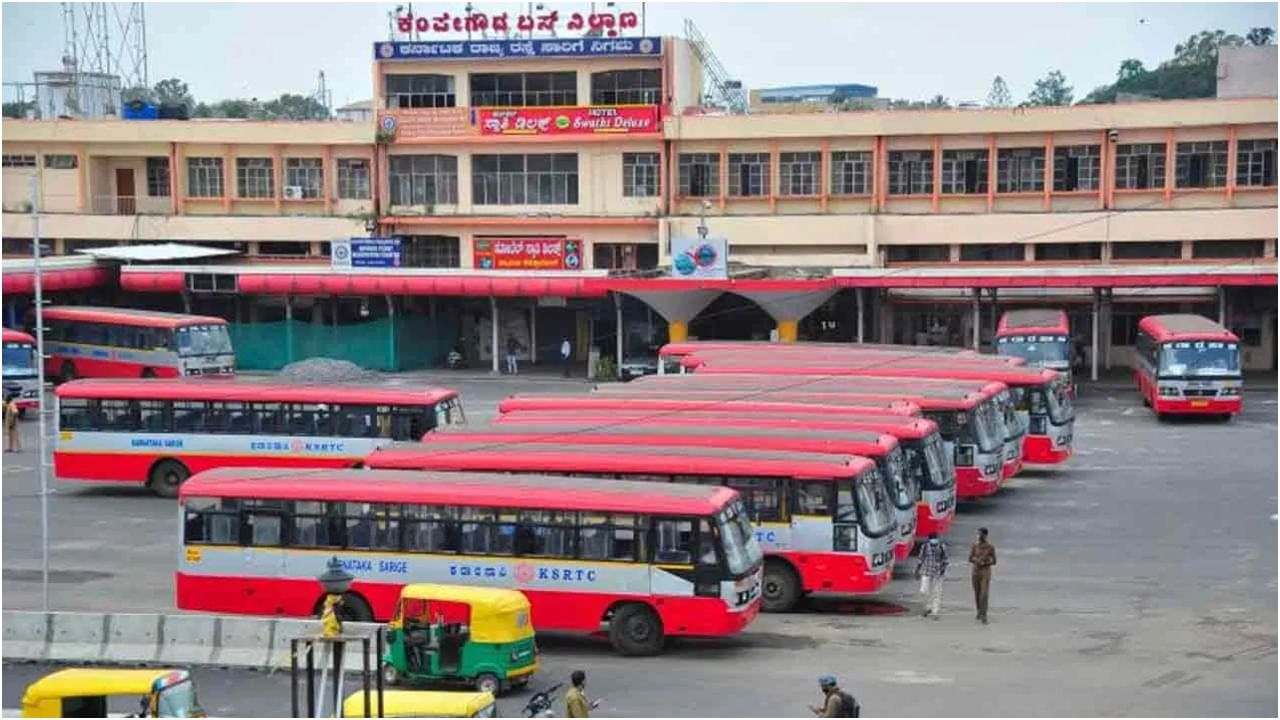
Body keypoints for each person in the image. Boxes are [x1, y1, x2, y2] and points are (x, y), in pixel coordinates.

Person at [916, 532, 948, 619]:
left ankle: (935, 612)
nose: (934, 540)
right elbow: (920, 558)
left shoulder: (942, 547)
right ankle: (928, 607)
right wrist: (917, 570)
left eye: (935, 538)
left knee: (936, 593)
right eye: (933, 538)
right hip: (926, 571)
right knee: (923, 591)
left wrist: (942, 570)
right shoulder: (925, 547)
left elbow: (945, 560)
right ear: (929, 539)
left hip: (937, 573)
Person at [969, 526, 997, 624]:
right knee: (977, 593)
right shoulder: (974, 546)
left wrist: (987, 561)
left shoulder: (990, 547)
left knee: (984, 594)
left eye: (980, 534)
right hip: (976, 571)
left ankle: (984, 614)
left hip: (985, 571)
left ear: (985, 535)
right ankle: (979, 610)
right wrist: (977, 560)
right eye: (978, 534)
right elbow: (970, 558)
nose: (978, 536)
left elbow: (994, 560)